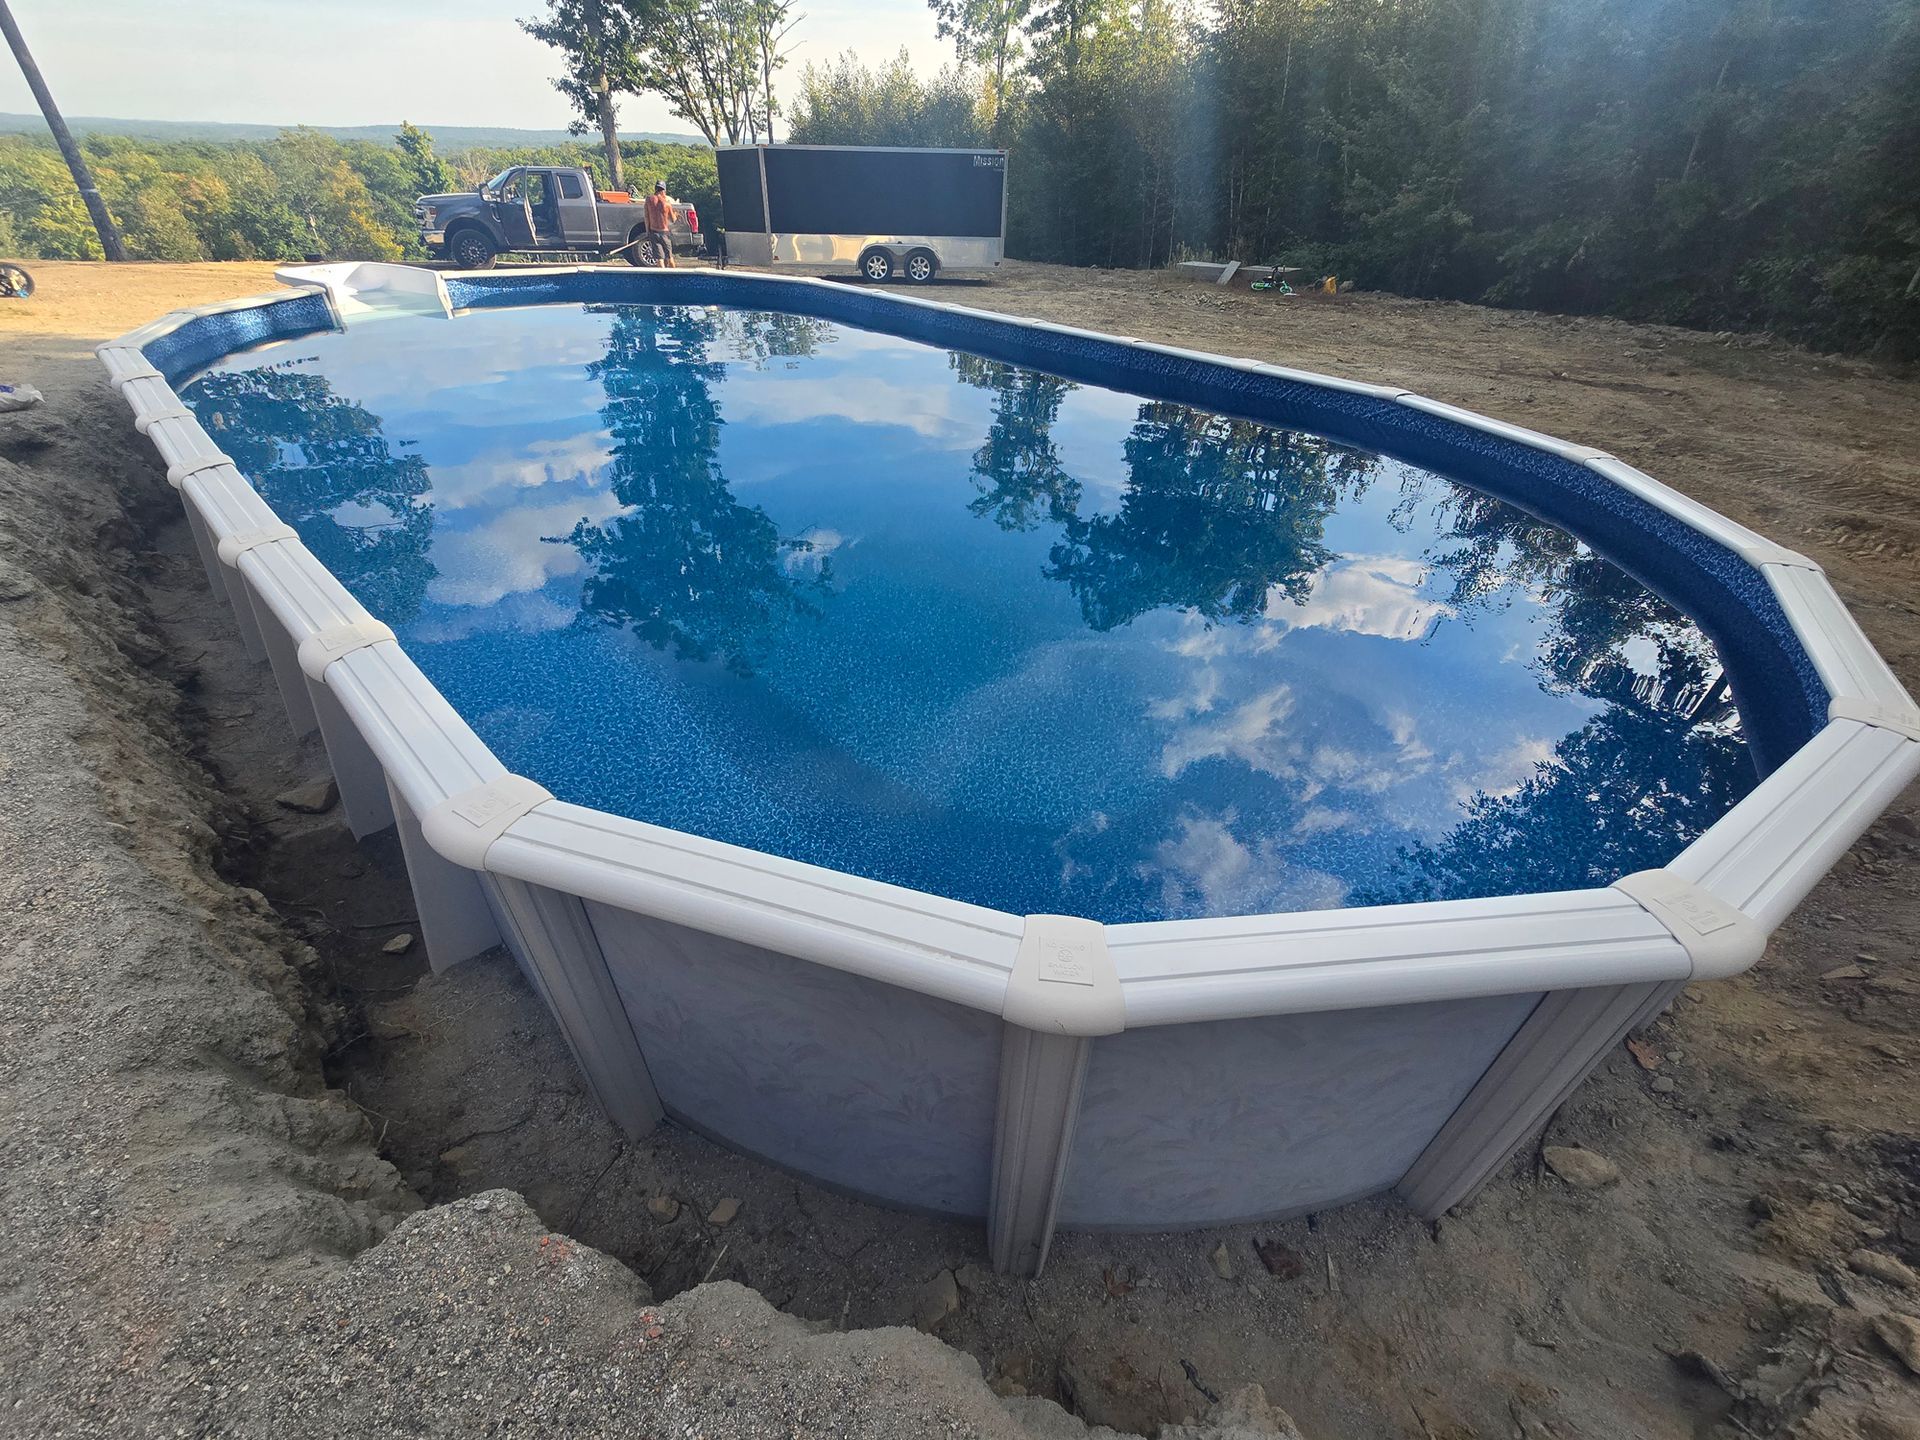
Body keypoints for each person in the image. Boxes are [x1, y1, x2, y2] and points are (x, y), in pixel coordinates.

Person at [643, 181, 676, 268]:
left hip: (653, 231)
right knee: (670, 257)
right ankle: (674, 277)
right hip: (664, 232)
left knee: (659, 259)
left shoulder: (648, 200)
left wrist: (647, 231)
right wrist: (676, 214)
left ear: (655, 189)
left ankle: (662, 278)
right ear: (664, 190)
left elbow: (646, 217)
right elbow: (673, 220)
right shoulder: (667, 203)